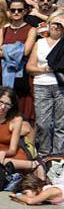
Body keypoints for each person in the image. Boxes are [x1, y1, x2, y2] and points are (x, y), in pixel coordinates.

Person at [27, 14, 64, 155]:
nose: (56, 27)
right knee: (43, 123)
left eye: (60, 24)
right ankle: (43, 153)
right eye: (54, 23)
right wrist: (45, 69)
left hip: (61, 85)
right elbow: (30, 67)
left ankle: (58, 156)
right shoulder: (40, 43)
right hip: (42, 84)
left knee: (61, 124)